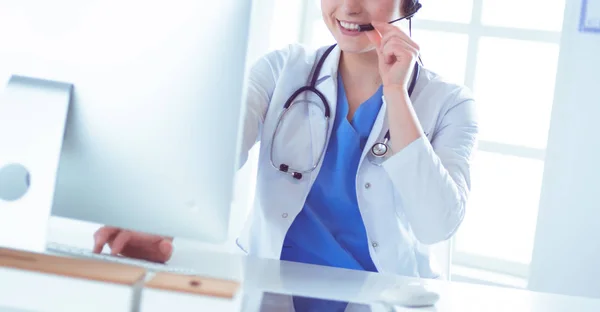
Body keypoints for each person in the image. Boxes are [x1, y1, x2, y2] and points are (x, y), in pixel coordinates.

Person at [93, 0, 478, 279]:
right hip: (271, 290)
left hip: (381, 298)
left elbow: (436, 225)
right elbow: (216, 154)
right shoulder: (282, 70)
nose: (349, 6)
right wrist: (156, 218)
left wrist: (396, 93)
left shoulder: (450, 105)